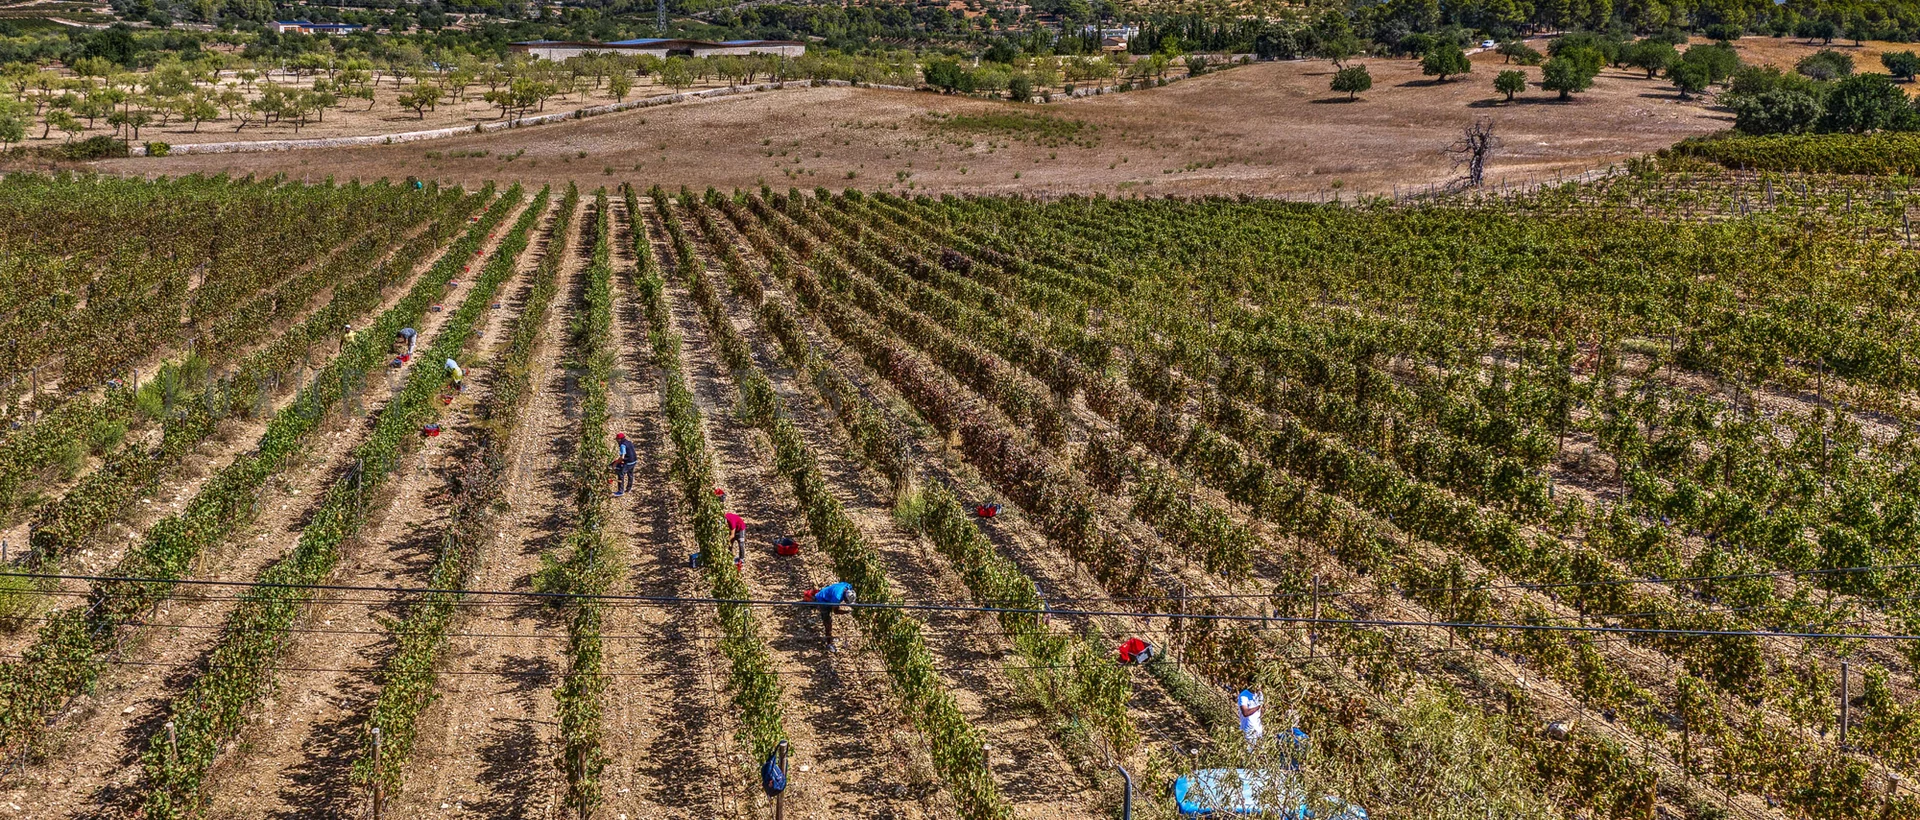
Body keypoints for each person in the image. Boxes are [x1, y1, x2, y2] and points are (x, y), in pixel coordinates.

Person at [806, 582, 856, 650]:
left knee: (830, 620)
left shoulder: (848, 586)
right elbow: (836, 611)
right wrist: (848, 612)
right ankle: (829, 644)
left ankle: (830, 638)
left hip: (828, 596)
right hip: (822, 601)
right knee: (828, 624)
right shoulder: (837, 598)